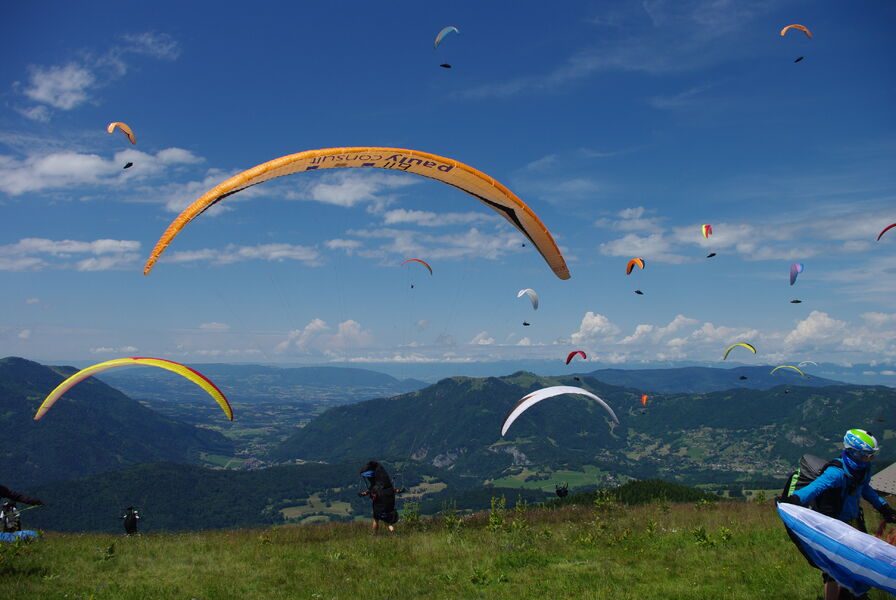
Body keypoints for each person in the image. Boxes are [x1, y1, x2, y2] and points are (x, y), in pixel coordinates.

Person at [781, 429, 896, 600]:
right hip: (834, 526)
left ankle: (852, 594)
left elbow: (866, 490)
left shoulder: (862, 471)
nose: (869, 459)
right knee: (832, 570)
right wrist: (794, 500)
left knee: (855, 561)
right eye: (866, 455)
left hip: (853, 523)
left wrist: (885, 509)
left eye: (871, 456)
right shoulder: (836, 472)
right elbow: (816, 487)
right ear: (852, 452)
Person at [358, 460, 401, 534]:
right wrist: (366, 493)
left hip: (379, 504)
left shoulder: (376, 485)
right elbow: (373, 488)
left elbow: (373, 489)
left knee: (376, 519)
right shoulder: (383, 482)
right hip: (389, 501)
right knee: (387, 520)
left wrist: (364, 494)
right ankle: (393, 532)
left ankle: (375, 534)